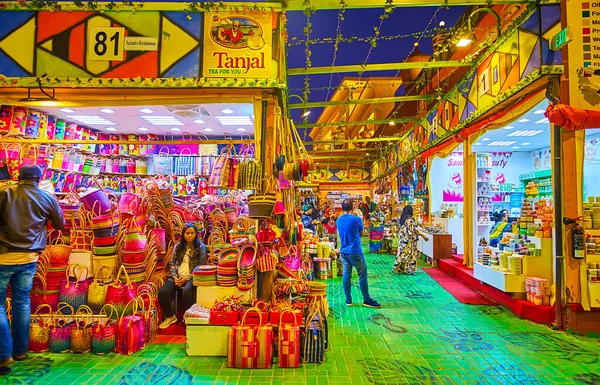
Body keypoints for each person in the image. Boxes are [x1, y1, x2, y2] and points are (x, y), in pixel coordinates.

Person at [0, 165, 65, 375]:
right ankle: (20, 351)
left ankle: (3, 353)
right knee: (22, 301)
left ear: (19, 176)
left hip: (3, 254)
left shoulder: (5, 193)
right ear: (39, 178)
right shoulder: (46, 198)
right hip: (29, 256)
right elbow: (60, 223)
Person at [159, 223, 207, 329]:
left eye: (192, 233)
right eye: (187, 233)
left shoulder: (201, 247)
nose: (189, 235)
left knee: (186, 291)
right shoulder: (178, 246)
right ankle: (171, 316)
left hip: (192, 277)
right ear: (183, 234)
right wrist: (175, 277)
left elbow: (200, 267)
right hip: (177, 277)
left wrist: (187, 278)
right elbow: (172, 262)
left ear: (196, 234)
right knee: (163, 292)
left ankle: (189, 319)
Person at [336, 199, 381, 308]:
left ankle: (348, 300)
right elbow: (361, 233)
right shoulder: (356, 219)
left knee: (347, 275)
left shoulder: (339, 220)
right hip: (355, 251)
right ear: (352, 208)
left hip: (343, 251)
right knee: (362, 274)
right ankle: (366, 299)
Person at [393, 205, 428, 275]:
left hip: (403, 239)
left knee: (402, 253)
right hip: (408, 241)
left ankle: (399, 268)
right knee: (409, 255)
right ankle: (409, 269)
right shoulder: (409, 219)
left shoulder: (403, 218)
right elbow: (413, 230)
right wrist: (423, 236)